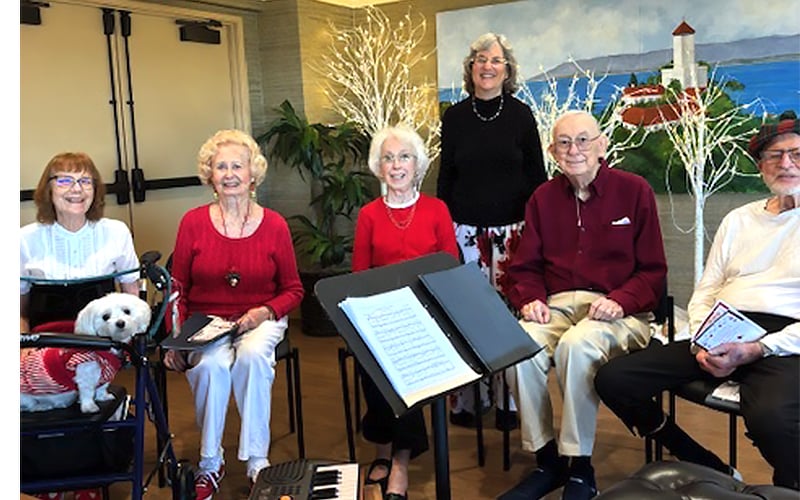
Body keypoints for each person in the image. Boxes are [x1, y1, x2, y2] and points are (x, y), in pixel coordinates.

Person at [595, 110, 800, 491]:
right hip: (724, 325)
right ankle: (699, 459)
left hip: (785, 340)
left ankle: (788, 490)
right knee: (614, 378)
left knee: (772, 418)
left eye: (797, 154)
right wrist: (704, 335)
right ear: (760, 166)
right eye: (775, 155)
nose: (786, 164)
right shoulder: (739, 219)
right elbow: (707, 287)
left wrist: (757, 348)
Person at [500, 110, 667, 500]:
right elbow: (524, 267)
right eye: (563, 142)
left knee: (577, 346)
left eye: (583, 140)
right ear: (552, 150)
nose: (573, 149)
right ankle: (547, 460)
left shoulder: (635, 190)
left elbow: (653, 271)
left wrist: (620, 301)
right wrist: (529, 300)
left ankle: (580, 466)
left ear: (601, 144)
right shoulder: (542, 198)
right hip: (556, 306)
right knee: (516, 348)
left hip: (619, 309)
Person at [162, 129, 304, 500]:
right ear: (209, 174)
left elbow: (293, 289)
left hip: (260, 316)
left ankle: (257, 461)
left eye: (236, 166)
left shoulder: (274, 224)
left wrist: (265, 311)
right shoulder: (192, 222)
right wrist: (174, 337)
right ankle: (211, 464)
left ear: (252, 174)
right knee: (210, 366)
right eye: (220, 166)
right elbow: (177, 286)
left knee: (253, 356)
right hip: (206, 321)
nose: (229, 174)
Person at [437, 32, 547, 430]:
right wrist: (442, 229)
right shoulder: (453, 117)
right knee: (467, 316)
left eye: (496, 60)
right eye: (480, 59)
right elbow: (445, 176)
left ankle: (509, 401)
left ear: (507, 69)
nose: (487, 65)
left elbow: (538, 178)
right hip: (464, 232)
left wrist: (539, 232)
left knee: (509, 318)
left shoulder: (521, 115)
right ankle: (469, 399)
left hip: (514, 234)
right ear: (471, 68)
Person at [20, 152, 141, 500]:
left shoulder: (115, 232)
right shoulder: (25, 239)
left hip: (102, 345)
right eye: (65, 180)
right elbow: (20, 309)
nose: (77, 189)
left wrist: (131, 344)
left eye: (86, 181)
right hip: (46, 345)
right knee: (46, 395)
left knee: (90, 391)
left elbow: (131, 297)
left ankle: (89, 478)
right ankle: (50, 475)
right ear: (48, 189)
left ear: (95, 190)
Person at [353, 125, 459, 500]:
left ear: (418, 165)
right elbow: (359, 277)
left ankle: (396, 457)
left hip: (428, 313)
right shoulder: (368, 215)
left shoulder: (436, 209)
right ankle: (386, 446)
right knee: (372, 356)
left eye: (404, 157)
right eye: (388, 157)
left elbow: (451, 266)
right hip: (382, 314)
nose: (396, 165)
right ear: (378, 167)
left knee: (405, 359)